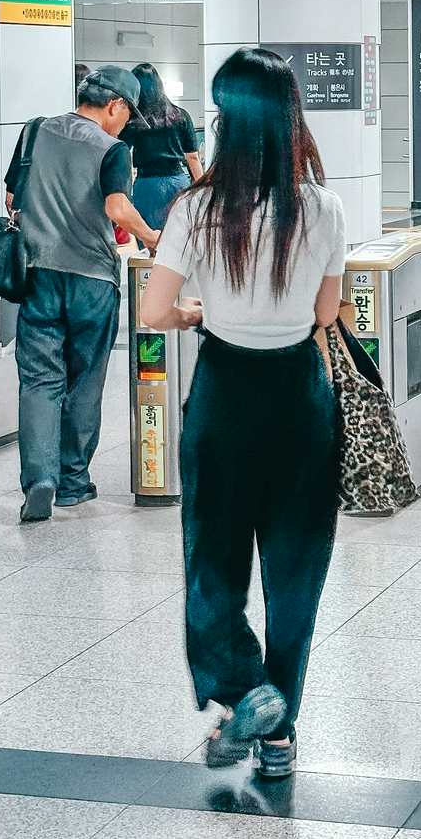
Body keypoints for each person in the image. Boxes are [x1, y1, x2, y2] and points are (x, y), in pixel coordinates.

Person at [139, 47, 345, 780]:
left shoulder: (194, 207)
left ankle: (245, 690)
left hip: (224, 393)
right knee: (296, 574)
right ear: (291, 120)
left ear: (225, 122)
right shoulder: (322, 206)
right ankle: (280, 730)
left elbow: (155, 308)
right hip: (299, 396)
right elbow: (327, 313)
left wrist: (203, 312)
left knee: (213, 566)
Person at [6, 66, 159, 524]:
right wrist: (151, 237)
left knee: (38, 381)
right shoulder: (113, 150)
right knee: (85, 379)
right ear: (114, 105)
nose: (126, 125)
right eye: (127, 116)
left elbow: (14, 197)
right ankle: (72, 482)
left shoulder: (34, 132)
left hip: (37, 272)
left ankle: (39, 481)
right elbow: (115, 206)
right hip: (92, 278)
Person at [122, 63, 204, 231]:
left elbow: (121, 152)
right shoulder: (181, 115)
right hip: (177, 183)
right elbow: (193, 158)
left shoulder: (132, 121)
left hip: (147, 185)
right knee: (179, 235)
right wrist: (202, 189)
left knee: (148, 240)